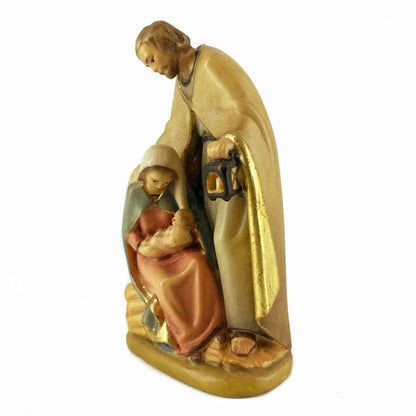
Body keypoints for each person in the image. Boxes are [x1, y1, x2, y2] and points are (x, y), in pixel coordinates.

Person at [135, 21, 291, 356]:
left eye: (152, 59)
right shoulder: (182, 83)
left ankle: (246, 328)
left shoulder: (210, 64)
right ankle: (218, 320)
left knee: (228, 241)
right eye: (147, 64)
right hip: (208, 168)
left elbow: (243, 112)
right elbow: (176, 130)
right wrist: (150, 163)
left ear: (168, 43)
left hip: (235, 166)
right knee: (210, 240)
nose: (154, 68)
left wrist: (230, 137)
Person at [122, 144, 225, 356]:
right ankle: (187, 339)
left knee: (198, 264)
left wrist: (188, 231)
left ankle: (213, 328)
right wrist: (140, 245)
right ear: (144, 176)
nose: (161, 187)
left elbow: (193, 223)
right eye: (155, 181)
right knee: (165, 284)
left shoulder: (175, 194)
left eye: (167, 183)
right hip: (149, 254)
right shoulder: (135, 195)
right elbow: (129, 231)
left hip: (177, 249)